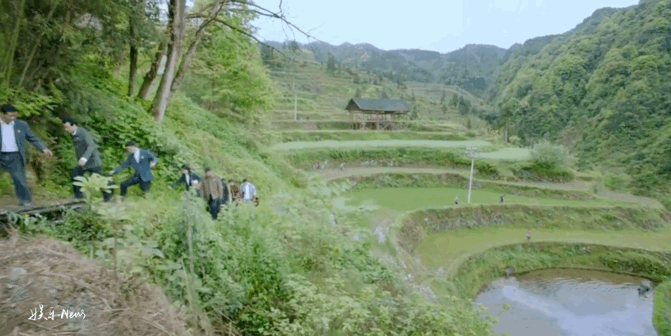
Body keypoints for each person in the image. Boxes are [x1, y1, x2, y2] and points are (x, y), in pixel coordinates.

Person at [0, 104, 53, 206]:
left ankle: (26, 202)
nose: (13, 118)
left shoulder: (21, 125)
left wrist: (43, 148)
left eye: (15, 116)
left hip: (15, 156)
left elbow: (32, 137)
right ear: (2, 114)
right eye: (10, 116)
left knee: (20, 180)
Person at [62, 117, 112, 202]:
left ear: (73, 125)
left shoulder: (83, 132)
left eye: (67, 127)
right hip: (82, 163)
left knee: (101, 180)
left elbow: (91, 146)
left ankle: (108, 199)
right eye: (65, 128)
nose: (66, 130)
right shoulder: (73, 134)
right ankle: (78, 197)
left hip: (93, 162)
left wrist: (84, 158)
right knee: (75, 175)